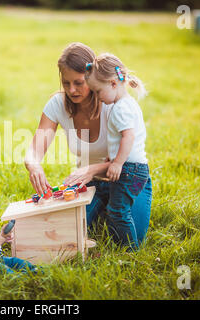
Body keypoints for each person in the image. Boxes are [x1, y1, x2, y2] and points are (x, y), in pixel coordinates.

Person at [24, 42, 152, 249]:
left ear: (93, 78)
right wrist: (34, 165)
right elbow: (36, 148)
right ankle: (103, 208)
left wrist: (92, 168)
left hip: (127, 179)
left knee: (130, 236)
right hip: (90, 184)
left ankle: (108, 210)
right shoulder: (58, 104)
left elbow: (127, 158)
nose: (71, 90)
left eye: (78, 83)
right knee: (63, 230)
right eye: (66, 83)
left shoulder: (112, 104)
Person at [83, 52, 150, 250]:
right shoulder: (128, 104)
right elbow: (122, 139)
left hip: (131, 169)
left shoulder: (121, 108)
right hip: (136, 169)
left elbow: (128, 137)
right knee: (118, 209)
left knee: (118, 210)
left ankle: (130, 249)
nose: (97, 97)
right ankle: (125, 243)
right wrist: (113, 157)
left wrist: (118, 162)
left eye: (97, 91)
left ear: (113, 84)